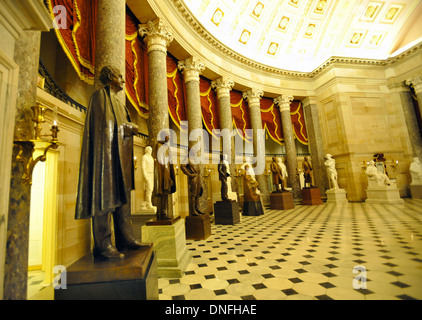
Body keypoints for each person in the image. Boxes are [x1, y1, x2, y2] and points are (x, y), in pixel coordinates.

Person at [75, 66, 142, 260]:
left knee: (124, 201)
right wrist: (128, 127)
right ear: (110, 77)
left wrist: (127, 128)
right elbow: (105, 126)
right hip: (106, 158)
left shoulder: (120, 104)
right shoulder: (99, 96)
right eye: (120, 76)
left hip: (121, 158)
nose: (123, 79)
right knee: (104, 200)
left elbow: (116, 125)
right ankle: (103, 246)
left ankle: (126, 238)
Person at [153, 134, 176, 220]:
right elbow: (161, 162)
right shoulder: (159, 146)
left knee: (166, 194)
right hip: (163, 174)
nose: (169, 138)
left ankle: (164, 212)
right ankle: (161, 212)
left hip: (167, 173)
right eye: (167, 136)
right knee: (162, 194)